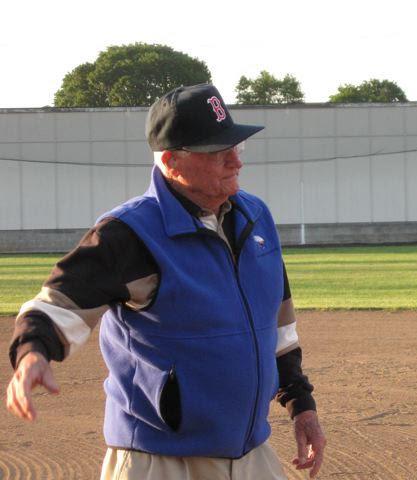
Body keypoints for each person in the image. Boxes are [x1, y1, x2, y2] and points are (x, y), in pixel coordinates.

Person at [5, 83, 326, 479]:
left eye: (237, 148)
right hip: (158, 460)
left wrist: (301, 405)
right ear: (172, 162)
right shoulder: (130, 233)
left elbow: (279, 326)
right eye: (218, 151)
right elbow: (56, 304)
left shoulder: (255, 219)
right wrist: (33, 352)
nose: (235, 161)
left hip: (251, 455)